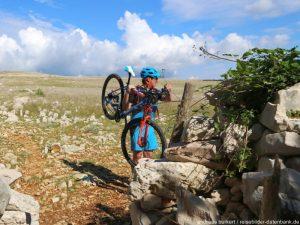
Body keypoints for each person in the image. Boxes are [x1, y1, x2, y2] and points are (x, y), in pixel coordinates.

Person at [122, 67, 172, 164]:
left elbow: (167, 100)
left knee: (148, 153)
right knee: (138, 153)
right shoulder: (136, 90)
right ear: (148, 79)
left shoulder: (155, 92)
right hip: (136, 126)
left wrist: (168, 91)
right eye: (155, 79)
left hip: (150, 126)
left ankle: (147, 174)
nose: (157, 81)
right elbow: (125, 108)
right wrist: (128, 92)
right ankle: (135, 175)